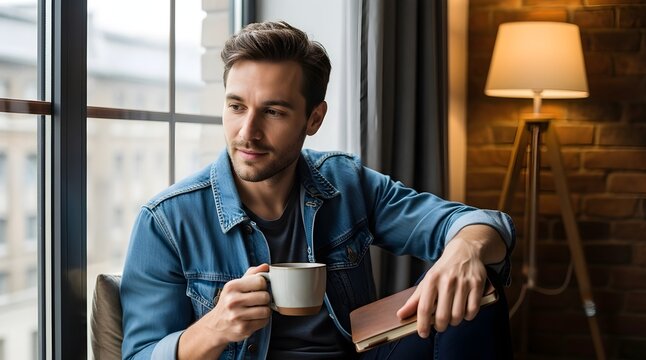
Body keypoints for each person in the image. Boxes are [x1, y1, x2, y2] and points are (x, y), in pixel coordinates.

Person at [120, 21, 516, 360]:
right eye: (237, 106)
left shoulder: (346, 182)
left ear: (314, 118)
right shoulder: (166, 221)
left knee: (475, 289)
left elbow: (482, 224)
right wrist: (214, 328)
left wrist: (465, 251)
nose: (247, 132)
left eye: (273, 111)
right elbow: (140, 354)